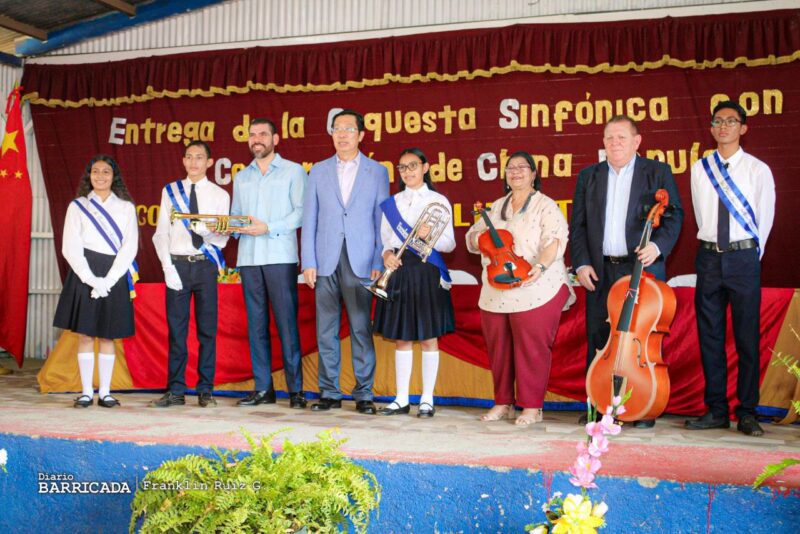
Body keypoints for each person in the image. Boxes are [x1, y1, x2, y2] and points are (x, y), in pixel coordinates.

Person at [570, 115, 683, 428]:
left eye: (621, 137)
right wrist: (581, 263)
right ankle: (598, 404)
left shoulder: (657, 172)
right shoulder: (589, 176)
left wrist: (657, 246)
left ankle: (642, 408)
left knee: (641, 340)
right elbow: (578, 225)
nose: (614, 143)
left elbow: (674, 216)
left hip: (640, 271)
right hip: (600, 271)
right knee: (599, 338)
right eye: (609, 137)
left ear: (637, 141)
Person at [685, 101, 775, 437]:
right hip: (709, 257)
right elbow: (701, 215)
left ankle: (747, 412)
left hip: (743, 258)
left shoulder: (757, 170)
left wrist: (748, 256)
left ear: (743, 128)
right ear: (711, 128)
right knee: (710, 336)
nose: (724, 127)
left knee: (746, 337)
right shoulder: (700, 169)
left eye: (731, 121)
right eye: (718, 121)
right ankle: (717, 410)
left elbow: (765, 219)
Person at [465, 151, 575, 426]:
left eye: (522, 167)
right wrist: (479, 239)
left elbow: (555, 240)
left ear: (534, 173)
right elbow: (471, 237)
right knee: (498, 348)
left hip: (536, 283)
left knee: (531, 347)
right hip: (497, 285)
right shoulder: (496, 206)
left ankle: (532, 407)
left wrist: (541, 266)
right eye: (510, 168)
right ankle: (503, 403)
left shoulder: (545, 206)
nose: (515, 172)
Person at [301, 109, 389, 415]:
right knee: (326, 329)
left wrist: (378, 257)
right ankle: (329, 392)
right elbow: (309, 219)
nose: (342, 134)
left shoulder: (377, 172)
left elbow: (381, 219)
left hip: (362, 259)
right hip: (325, 259)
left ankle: (364, 393)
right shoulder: (318, 171)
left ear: (361, 135)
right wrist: (308, 260)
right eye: (337, 128)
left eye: (348, 129)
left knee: (361, 327)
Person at [230, 118, 308, 409]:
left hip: (280, 257)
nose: (257, 139)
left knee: (286, 324)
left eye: (263, 134)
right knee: (256, 326)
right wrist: (227, 226)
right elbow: (236, 215)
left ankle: (296, 391)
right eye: (252, 135)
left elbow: (301, 213)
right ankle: (263, 389)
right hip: (248, 259)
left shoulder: (293, 171)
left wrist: (269, 227)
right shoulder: (241, 177)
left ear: (275, 139)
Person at [374, 148, 456, 418]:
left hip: (426, 271)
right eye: (402, 167)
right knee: (402, 337)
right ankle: (401, 399)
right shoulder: (392, 203)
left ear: (425, 167)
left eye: (413, 166)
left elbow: (450, 244)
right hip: (399, 270)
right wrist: (386, 255)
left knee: (429, 337)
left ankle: (427, 399)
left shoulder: (438, 201)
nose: (407, 172)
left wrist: (428, 236)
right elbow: (386, 241)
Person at [53, 155, 138, 409]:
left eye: (106, 172)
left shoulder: (126, 208)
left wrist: (108, 280)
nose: (100, 176)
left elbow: (129, 247)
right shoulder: (77, 206)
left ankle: (106, 393)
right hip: (84, 273)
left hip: (114, 274)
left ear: (114, 177)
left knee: (108, 336)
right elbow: (70, 247)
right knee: (86, 335)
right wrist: (91, 279)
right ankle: (87, 392)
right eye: (96, 172)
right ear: (89, 176)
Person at [151, 141, 230, 408]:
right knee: (177, 331)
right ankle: (175, 390)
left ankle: (205, 390)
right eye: (189, 157)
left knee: (207, 331)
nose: (193, 162)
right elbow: (161, 233)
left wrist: (206, 231)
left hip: (205, 266)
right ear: (183, 160)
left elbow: (223, 238)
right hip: (178, 266)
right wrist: (167, 267)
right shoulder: (170, 191)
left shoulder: (220, 195)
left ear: (209, 162)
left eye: (199, 157)